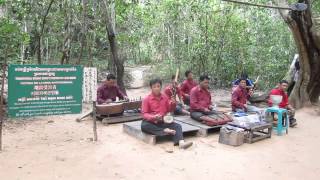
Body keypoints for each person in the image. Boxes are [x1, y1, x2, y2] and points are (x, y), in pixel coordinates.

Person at [141, 78, 193, 149]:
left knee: (178, 126)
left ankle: (181, 143)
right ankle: (164, 130)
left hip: (163, 121)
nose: (156, 88)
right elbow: (144, 114)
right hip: (152, 122)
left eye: (158, 86)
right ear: (151, 88)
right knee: (144, 125)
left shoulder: (164, 97)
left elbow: (169, 110)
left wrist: (173, 103)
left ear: (161, 87)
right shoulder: (146, 99)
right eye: (154, 87)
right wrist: (153, 117)